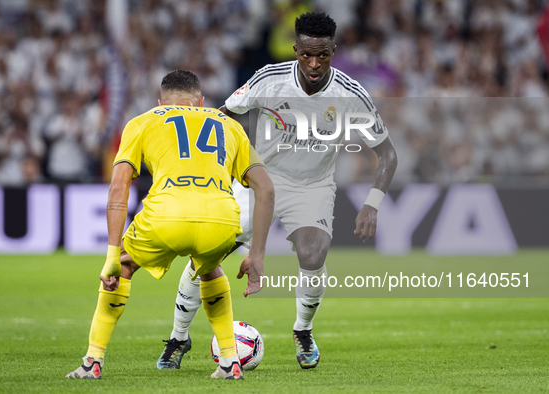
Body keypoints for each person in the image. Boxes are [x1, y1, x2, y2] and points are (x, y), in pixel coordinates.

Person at [157, 12, 398, 371]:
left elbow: (388, 153)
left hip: (312, 186)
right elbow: (223, 115)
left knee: (314, 254)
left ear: (334, 50)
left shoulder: (350, 94)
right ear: (295, 49)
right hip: (259, 182)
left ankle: (303, 330)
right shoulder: (269, 79)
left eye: (323, 55)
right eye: (306, 55)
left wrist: (372, 204)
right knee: (205, 255)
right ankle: (178, 337)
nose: (314, 64)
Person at [66, 70, 275, 380]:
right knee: (209, 269)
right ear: (202, 101)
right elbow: (267, 189)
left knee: (123, 267)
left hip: (166, 215)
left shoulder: (143, 121)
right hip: (219, 219)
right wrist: (257, 254)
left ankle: (92, 361)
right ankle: (230, 363)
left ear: (160, 101)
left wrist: (113, 254)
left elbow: (119, 187)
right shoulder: (230, 125)